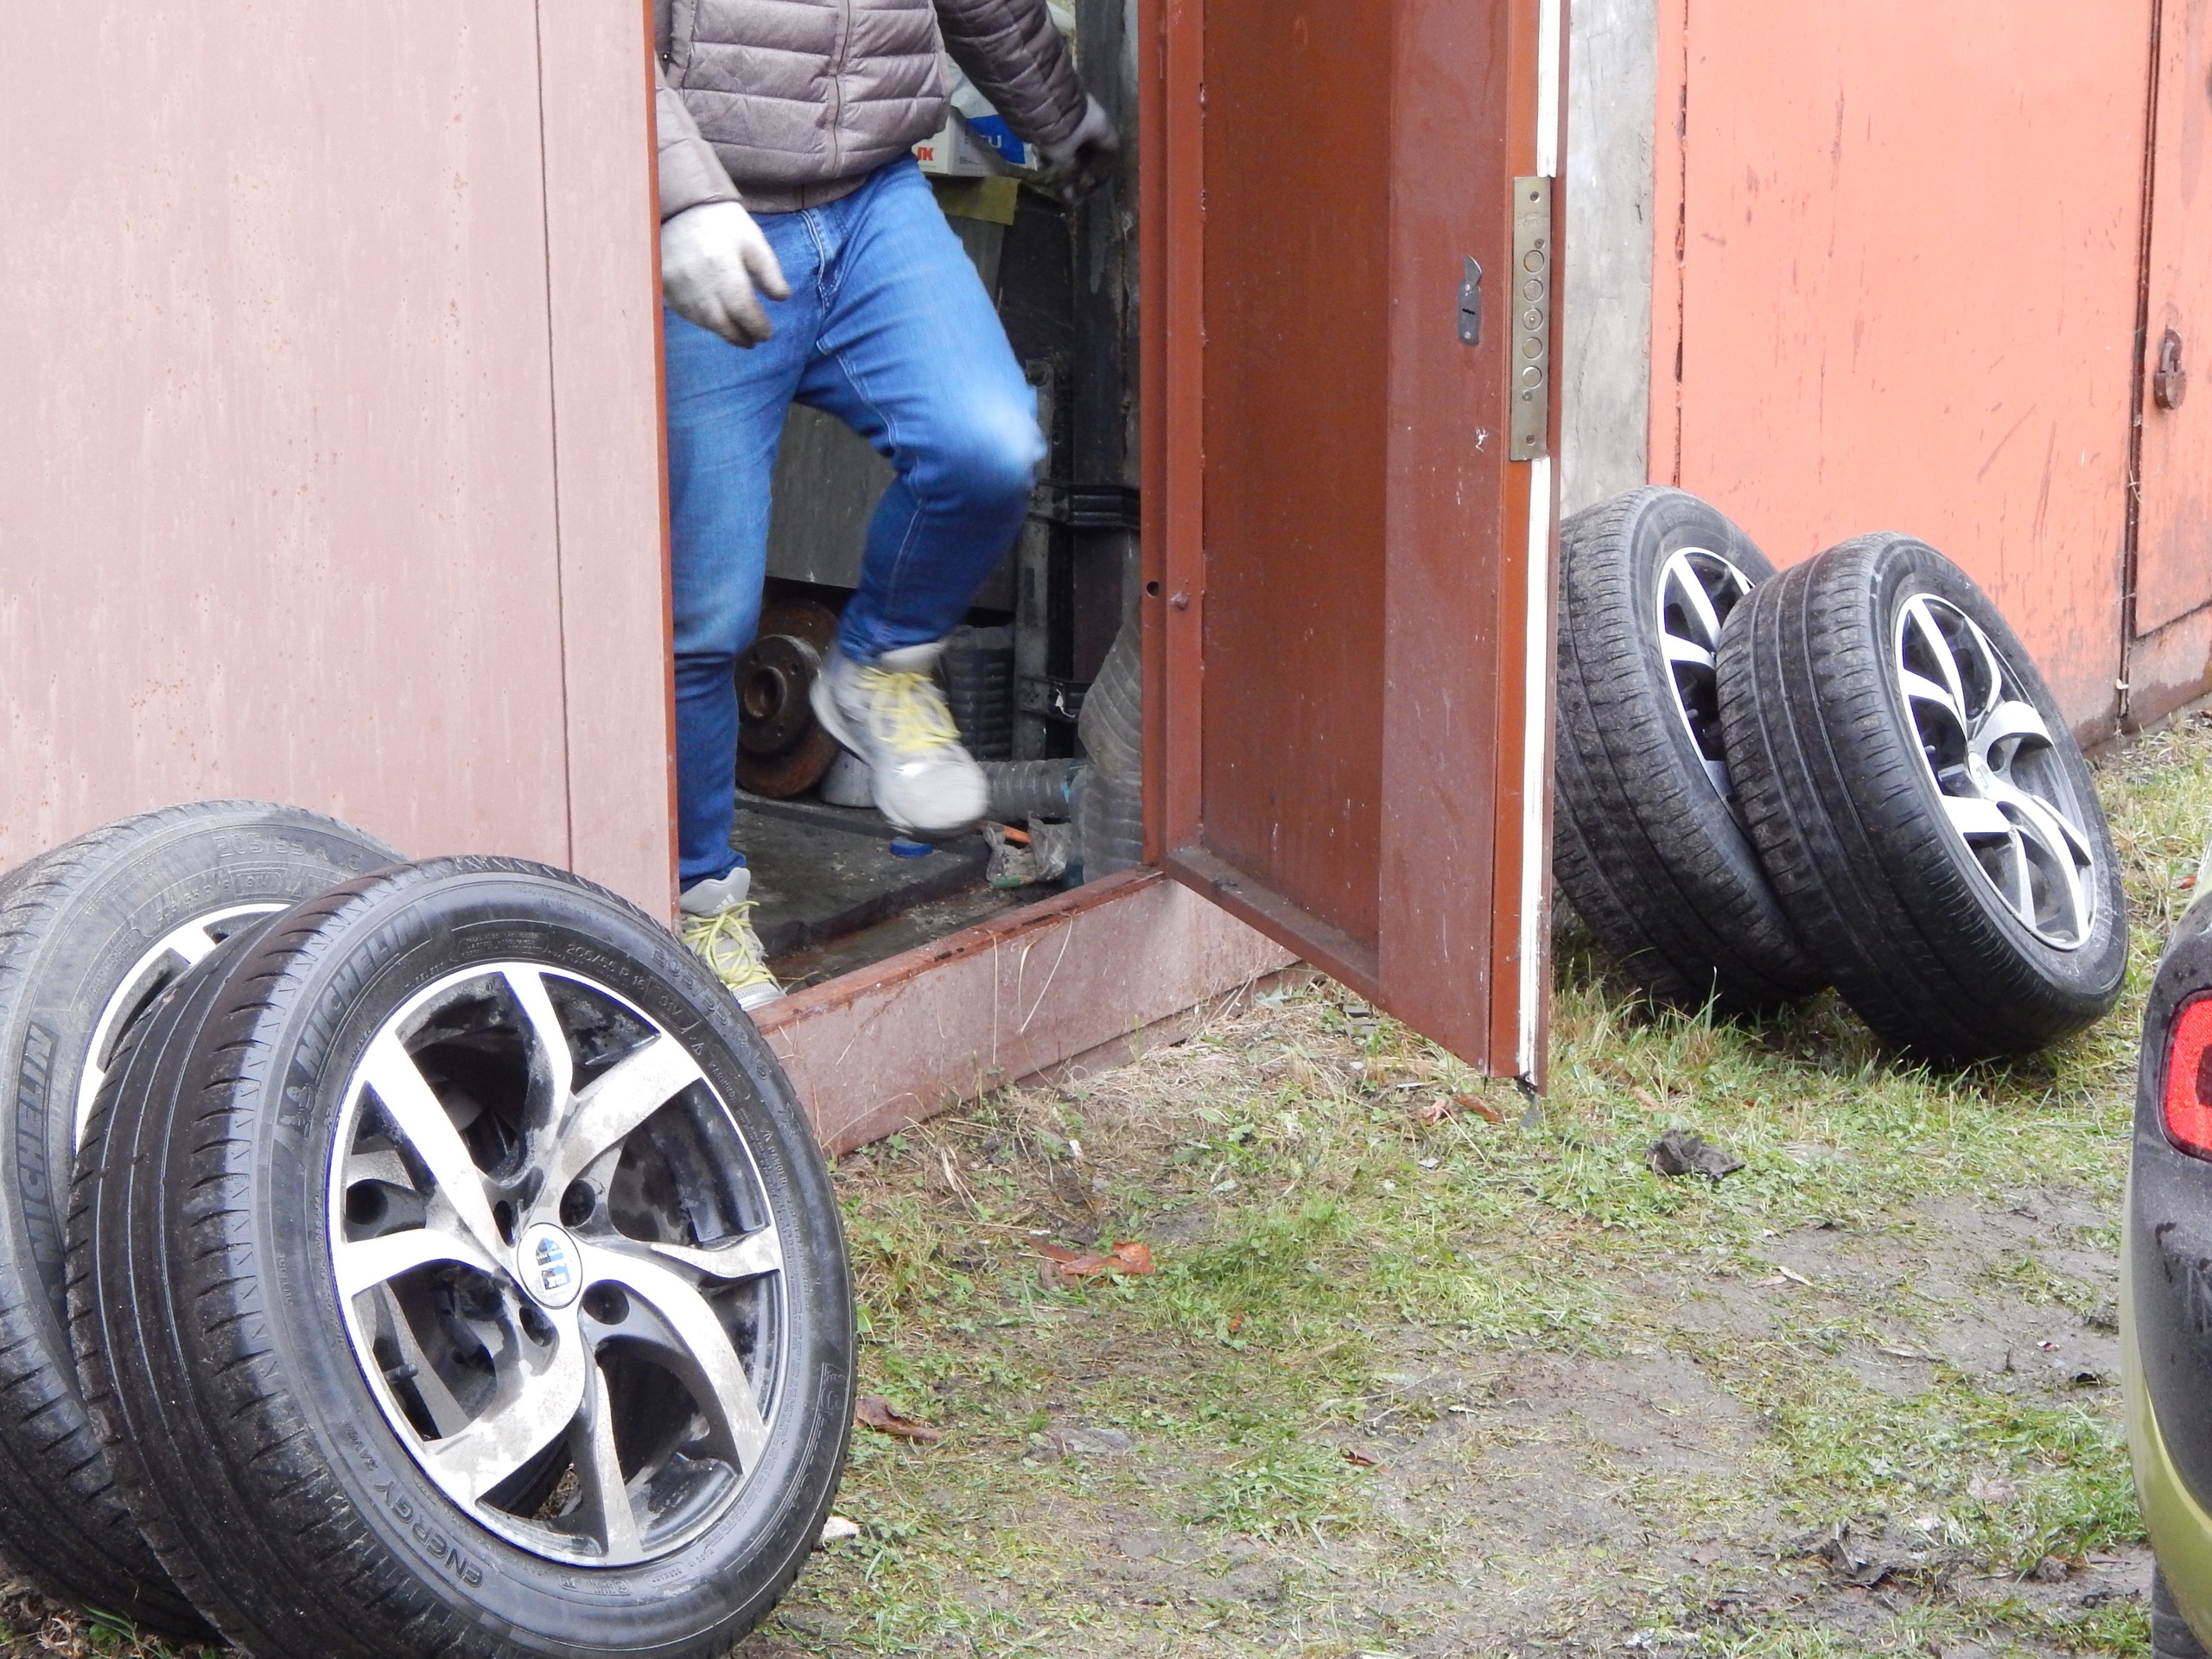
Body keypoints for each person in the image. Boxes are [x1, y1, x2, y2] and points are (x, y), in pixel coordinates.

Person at [652, 0, 1118, 1011]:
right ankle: (699, 898)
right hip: (712, 217)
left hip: (872, 204)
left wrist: (1055, 111)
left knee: (985, 450)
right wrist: (673, 196)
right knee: (705, 616)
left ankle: (876, 668)